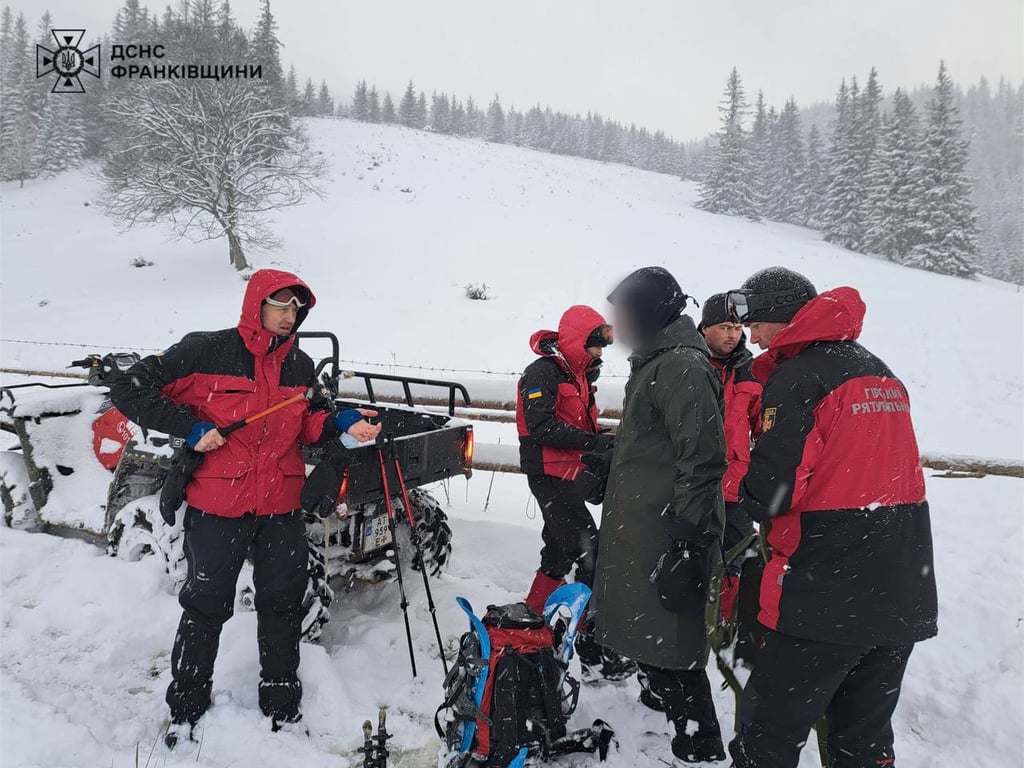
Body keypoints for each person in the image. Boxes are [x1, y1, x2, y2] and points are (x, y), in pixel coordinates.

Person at [110, 269, 382, 746]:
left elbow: (309, 420)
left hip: (280, 507)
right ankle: (187, 706)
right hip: (217, 505)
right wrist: (188, 427)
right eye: (280, 305)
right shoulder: (204, 351)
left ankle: (281, 704)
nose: (288, 316)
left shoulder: (299, 365)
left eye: (296, 309)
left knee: (281, 606)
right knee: (205, 606)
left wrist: (342, 420)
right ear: (256, 304)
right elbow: (130, 388)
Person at [725, 267, 938, 768]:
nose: (751, 335)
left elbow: (774, 491)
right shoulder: (878, 371)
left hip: (823, 590)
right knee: (861, 743)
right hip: (900, 586)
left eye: (756, 321)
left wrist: (738, 485)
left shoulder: (799, 376)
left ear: (782, 316)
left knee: (768, 736)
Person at [592, 267, 728, 765]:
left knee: (671, 635)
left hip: (669, 527)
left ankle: (699, 740)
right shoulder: (657, 363)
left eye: (625, 313)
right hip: (646, 522)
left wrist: (688, 541)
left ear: (649, 314)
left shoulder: (682, 368)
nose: (618, 323)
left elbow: (704, 458)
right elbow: (658, 444)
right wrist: (610, 461)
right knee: (645, 621)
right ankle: (660, 704)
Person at [516, 305, 635, 682]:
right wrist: (595, 443)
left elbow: (578, 422)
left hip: (569, 470)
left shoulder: (579, 374)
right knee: (591, 553)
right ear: (573, 341)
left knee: (558, 548)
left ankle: (533, 613)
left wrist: (598, 443)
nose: (599, 354)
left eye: (600, 347)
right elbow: (541, 427)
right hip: (548, 472)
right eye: (593, 346)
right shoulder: (541, 373)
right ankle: (592, 645)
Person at [697, 293, 762, 622]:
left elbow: (762, 424)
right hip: (690, 481)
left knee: (735, 557)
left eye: (738, 327)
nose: (732, 334)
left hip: (736, 483)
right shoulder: (688, 362)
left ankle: (724, 624)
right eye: (724, 326)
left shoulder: (751, 371)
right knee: (688, 551)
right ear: (705, 328)